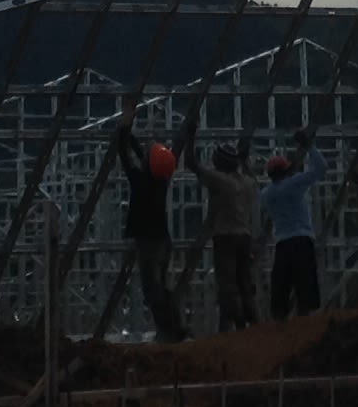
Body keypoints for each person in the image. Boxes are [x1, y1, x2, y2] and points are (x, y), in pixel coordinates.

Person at [111, 118, 189, 341]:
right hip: (164, 240)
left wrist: (123, 134)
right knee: (164, 287)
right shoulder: (161, 180)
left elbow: (126, 158)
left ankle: (166, 330)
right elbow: (142, 158)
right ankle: (176, 326)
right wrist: (130, 136)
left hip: (148, 242)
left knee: (152, 290)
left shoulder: (139, 180)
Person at [191, 143, 262, 333]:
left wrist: (189, 138)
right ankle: (252, 324)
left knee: (227, 284)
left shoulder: (220, 180)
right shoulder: (248, 182)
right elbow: (252, 176)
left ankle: (234, 322)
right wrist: (244, 160)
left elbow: (192, 165)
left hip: (225, 237)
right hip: (244, 237)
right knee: (244, 282)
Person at [260, 132, 324, 319]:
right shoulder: (294, 184)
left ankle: (281, 326)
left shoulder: (267, 195)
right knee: (306, 288)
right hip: (302, 240)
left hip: (283, 243)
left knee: (281, 287)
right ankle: (303, 324)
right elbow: (321, 168)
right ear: (287, 171)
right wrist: (309, 146)